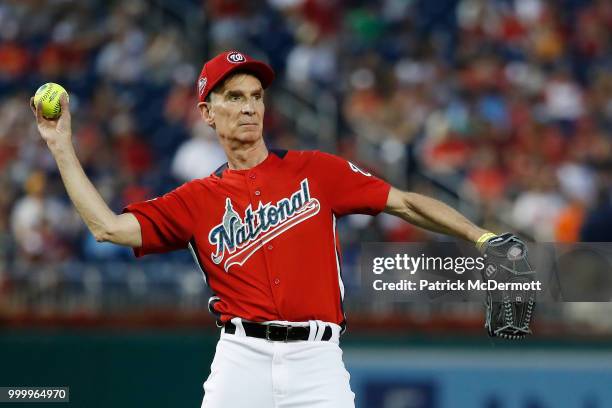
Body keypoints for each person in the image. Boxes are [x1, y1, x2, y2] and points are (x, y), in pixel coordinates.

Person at [32, 50, 495, 408]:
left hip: (318, 361)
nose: (250, 107)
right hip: (241, 358)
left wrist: (481, 237)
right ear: (208, 112)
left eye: (256, 96)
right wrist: (60, 146)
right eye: (234, 97)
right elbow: (107, 227)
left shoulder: (316, 171)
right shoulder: (194, 200)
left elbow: (406, 202)